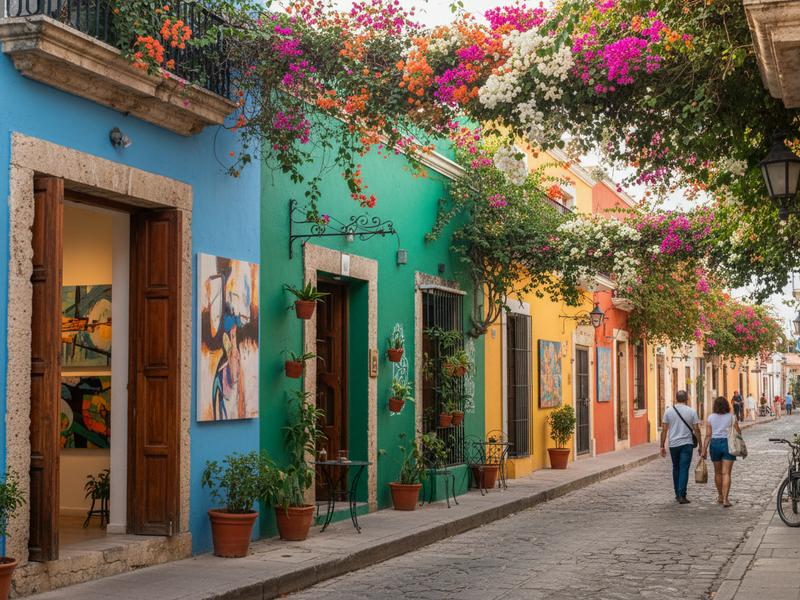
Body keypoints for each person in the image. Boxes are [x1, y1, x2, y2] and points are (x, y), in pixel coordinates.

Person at [661, 390, 702, 504]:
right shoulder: (692, 411)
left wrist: (662, 446)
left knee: (676, 468)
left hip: (673, 444)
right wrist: (701, 445)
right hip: (687, 444)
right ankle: (682, 495)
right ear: (687, 399)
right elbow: (696, 429)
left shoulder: (668, 411)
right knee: (684, 468)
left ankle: (677, 493)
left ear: (676, 399)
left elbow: (664, 429)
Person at [701, 396, 741, 507]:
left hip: (715, 444)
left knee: (718, 472)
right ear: (726, 406)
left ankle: (720, 496)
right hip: (728, 444)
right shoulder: (731, 417)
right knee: (726, 473)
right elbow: (738, 432)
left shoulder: (710, 418)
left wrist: (704, 450)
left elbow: (708, 436)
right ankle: (726, 499)